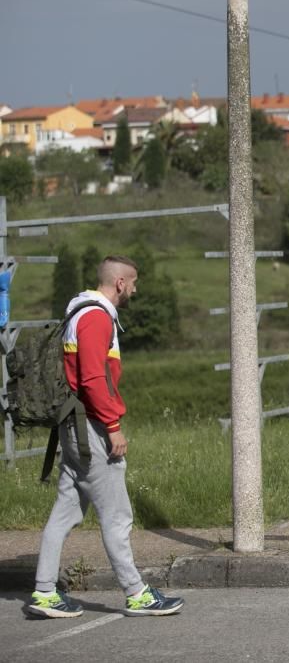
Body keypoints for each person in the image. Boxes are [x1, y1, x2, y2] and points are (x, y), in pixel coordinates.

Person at [28, 256, 184, 619]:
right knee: (117, 516)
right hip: (91, 429)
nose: (135, 289)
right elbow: (94, 379)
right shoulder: (96, 317)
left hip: (73, 426)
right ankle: (136, 593)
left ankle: (45, 592)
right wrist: (112, 427)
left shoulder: (79, 311)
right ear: (119, 283)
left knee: (65, 512)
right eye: (133, 283)